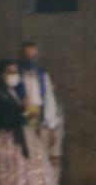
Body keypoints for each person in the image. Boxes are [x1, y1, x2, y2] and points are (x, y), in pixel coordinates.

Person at [14, 41, 64, 177]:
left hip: (41, 120)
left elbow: (48, 99)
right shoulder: (16, 75)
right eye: (28, 56)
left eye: (34, 57)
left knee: (45, 159)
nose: (31, 60)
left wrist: (52, 124)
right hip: (23, 121)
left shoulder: (42, 76)